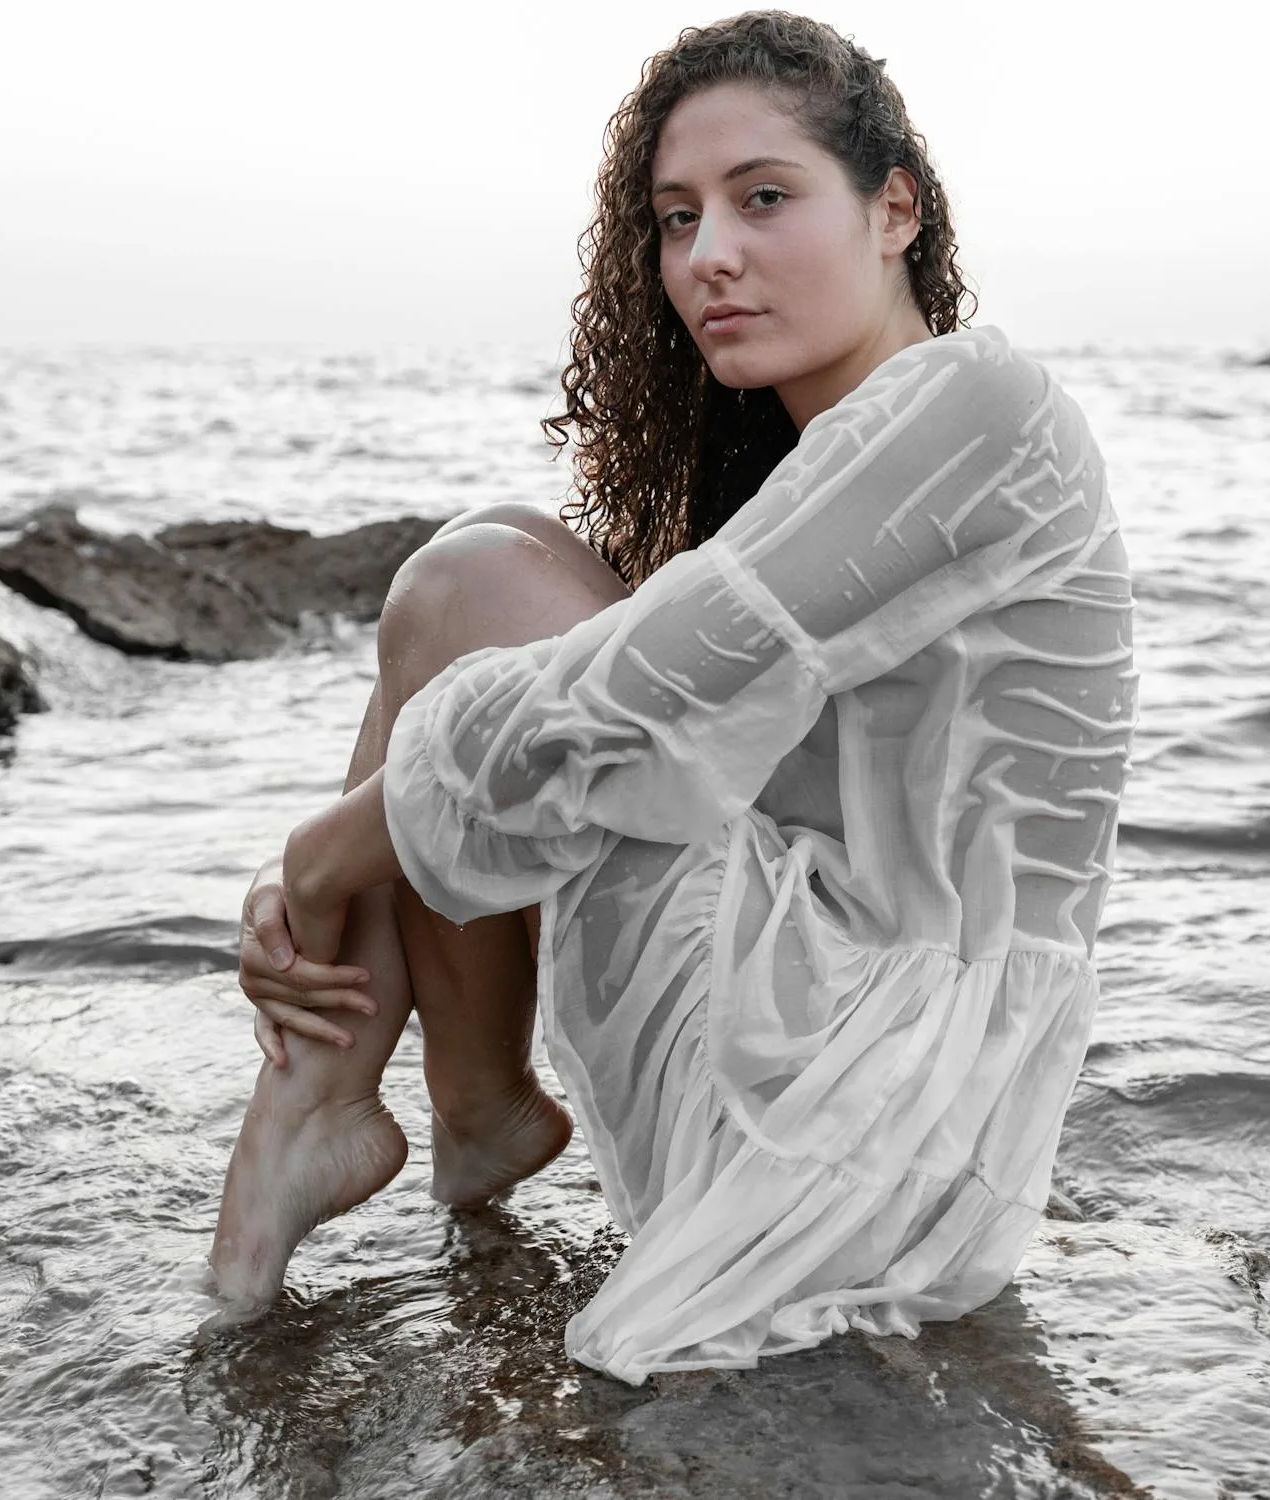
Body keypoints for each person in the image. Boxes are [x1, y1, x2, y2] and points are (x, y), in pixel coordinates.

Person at [207, 9, 1137, 1383]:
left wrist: (317, 855)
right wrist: (341, 845)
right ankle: (455, 1106)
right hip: (870, 1075)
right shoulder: (829, 463)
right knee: (497, 561)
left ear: (894, 212)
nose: (709, 257)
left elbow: (615, 704)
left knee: (474, 594)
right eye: (676, 218)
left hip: (867, 1109)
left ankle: (373, 1111)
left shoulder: (977, 405)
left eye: (764, 198)